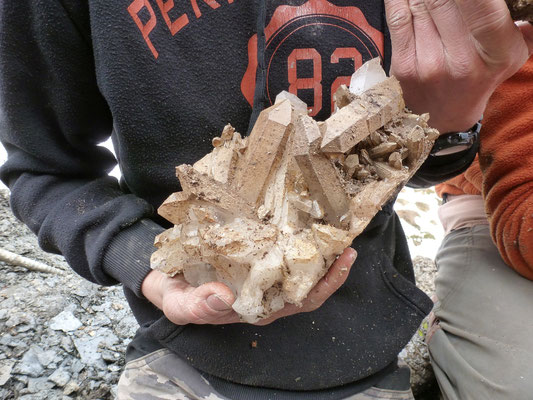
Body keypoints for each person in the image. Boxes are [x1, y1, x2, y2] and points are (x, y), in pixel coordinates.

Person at [0, 0, 531, 398]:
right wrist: (145, 266)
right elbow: (45, 169)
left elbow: (434, 164)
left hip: (362, 335)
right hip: (180, 340)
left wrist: (449, 124)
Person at [427, 56, 533, 399]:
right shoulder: (511, 33)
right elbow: (519, 219)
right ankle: (453, 336)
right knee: (517, 388)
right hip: (492, 217)